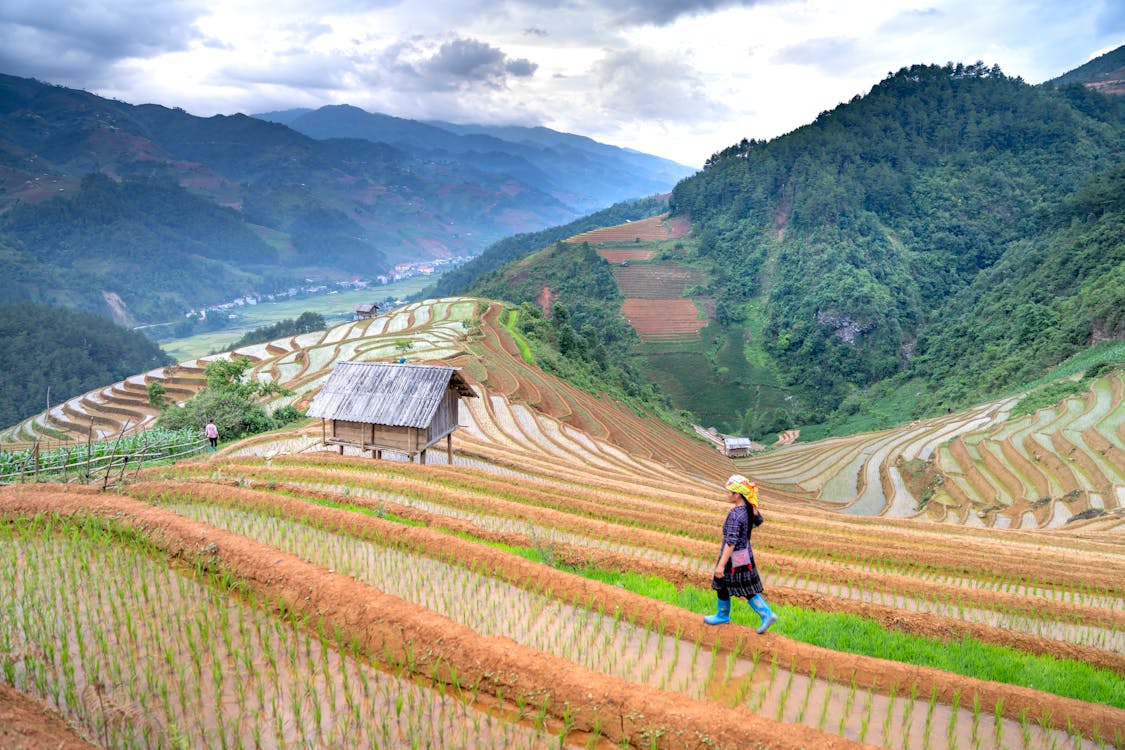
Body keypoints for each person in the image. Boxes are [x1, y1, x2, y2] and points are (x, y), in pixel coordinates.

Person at [704, 473, 779, 634]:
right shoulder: (748, 509)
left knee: (732, 583)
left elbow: (731, 542)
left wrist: (721, 565)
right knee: (726, 585)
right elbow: (759, 521)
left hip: (733, 557)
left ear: (737, 495)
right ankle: (722, 615)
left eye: (729, 492)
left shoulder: (735, 514)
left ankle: (766, 614)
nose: (727, 494)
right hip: (745, 554)